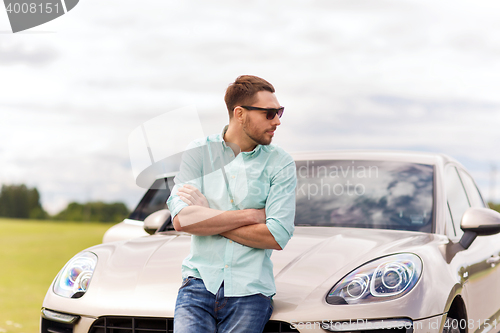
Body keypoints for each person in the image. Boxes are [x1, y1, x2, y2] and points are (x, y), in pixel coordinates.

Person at [167, 75, 296, 333]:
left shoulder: (281, 163)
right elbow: (182, 220)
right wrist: (250, 216)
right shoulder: (199, 152)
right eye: (270, 113)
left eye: (279, 112)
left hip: (250, 292)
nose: (278, 120)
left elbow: (277, 235)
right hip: (198, 285)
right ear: (240, 113)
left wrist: (208, 218)